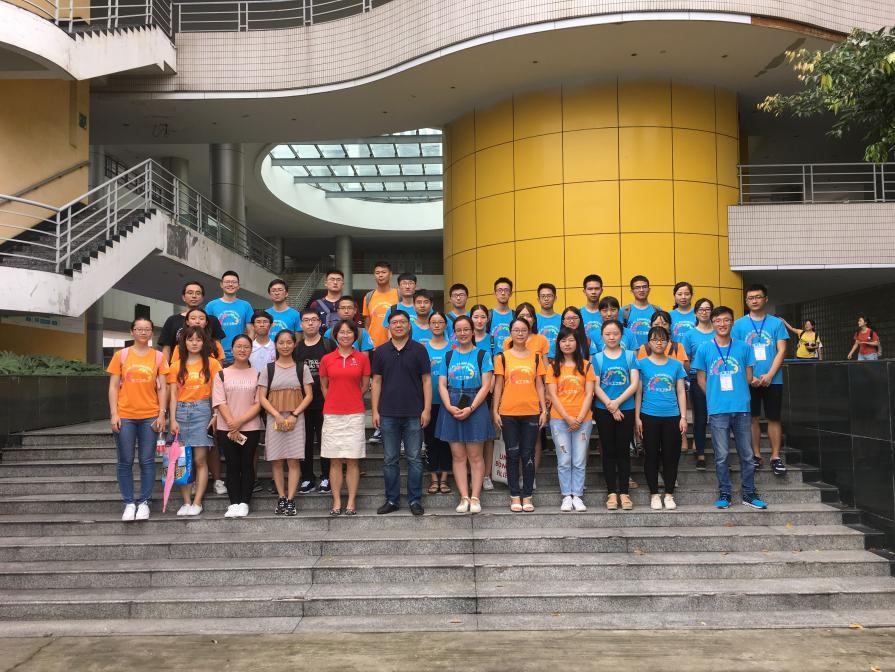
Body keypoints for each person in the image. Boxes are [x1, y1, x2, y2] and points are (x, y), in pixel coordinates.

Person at [693, 306, 767, 510]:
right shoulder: (704, 349)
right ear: (712, 323)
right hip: (718, 410)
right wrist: (714, 396)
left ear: (732, 322)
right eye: (718, 320)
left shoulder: (744, 347)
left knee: (747, 454)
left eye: (726, 320)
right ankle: (724, 492)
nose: (722, 324)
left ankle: (749, 493)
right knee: (722, 455)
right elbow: (701, 379)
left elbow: (749, 376)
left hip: (742, 407)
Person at [107, 318, 169, 521]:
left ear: (152, 333)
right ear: (132, 332)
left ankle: (144, 502)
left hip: (150, 415)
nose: (143, 332)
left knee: (147, 461)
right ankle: (128, 502)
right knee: (125, 461)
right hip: (125, 415)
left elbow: (163, 388)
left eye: (147, 329)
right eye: (139, 329)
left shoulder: (158, 357)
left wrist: (162, 413)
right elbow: (113, 386)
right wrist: (114, 413)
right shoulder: (121, 355)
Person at [371, 310, 432, 516]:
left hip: (414, 413)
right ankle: (392, 499)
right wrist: (375, 411)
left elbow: (426, 380)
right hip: (388, 413)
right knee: (390, 459)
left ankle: (415, 500)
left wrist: (427, 409)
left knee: (414, 458)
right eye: (395, 322)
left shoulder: (419, 350)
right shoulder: (380, 351)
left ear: (409, 325)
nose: (398, 325)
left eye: (402, 322)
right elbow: (376, 382)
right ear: (388, 326)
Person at [435, 315, 494, 514]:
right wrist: (449, 406)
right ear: (454, 333)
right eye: (458, 330)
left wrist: (471, 407)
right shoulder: (448, 356)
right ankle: (464, 496)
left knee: (475, 455)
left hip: (475, 404)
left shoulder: (483, 355)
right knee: (458, 455)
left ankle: (475, 496)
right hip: (451, 404)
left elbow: (486, 385)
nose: (463, 333)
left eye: (466, 329)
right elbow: (442, 384)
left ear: (472, 331)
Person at [731, 284, 788, 476]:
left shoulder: (776, 323)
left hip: (773, 379)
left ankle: (775, 457)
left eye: (758, 297)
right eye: (750, 298)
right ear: (746, 301)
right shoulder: (738, 325)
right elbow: (736, 353)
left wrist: (770, 374)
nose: (754, 301)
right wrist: (750, 377)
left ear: (765, 299)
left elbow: (782, 350)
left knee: (774, 417)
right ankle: (755, 455)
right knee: (752, 418)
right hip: (748, 380)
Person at [493, 317, 548, 513]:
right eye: (516, 330)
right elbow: (498, 386)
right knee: (512, 454)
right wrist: (495, 410)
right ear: (510, 333)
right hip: (508, 412)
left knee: (528, 454)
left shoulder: (536, 357)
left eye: (523, 330)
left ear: (529, 332)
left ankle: (528, 495)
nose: (520, 333)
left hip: (531, 412)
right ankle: (514, 495)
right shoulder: (503, 357)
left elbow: (540, 385)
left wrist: (544, 410)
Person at [168, 325, 223, 516]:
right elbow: (173, 395)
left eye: (198, 340)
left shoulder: (212, 364)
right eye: (190, 339)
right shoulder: (176, 365)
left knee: (200, 459)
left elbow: (218, 392)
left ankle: (197, 502)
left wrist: (216, 415)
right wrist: (172, 419)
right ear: (183, 342)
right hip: (181, 412)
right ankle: (186, 502)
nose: (194, 343)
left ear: (204, 342)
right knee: (182, 460)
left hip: (202, 410)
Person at [258, 330, 314, 517]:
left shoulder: (302, 368)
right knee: (276, 460)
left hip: (296, 419)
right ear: (276, 345)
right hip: (274, 419)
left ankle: (291, 499)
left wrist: (294, 414)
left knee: (293, 460)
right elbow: (262, 397)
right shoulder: (268, 369)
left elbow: (309, 395)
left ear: (294, 344)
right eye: (281, 342)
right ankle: (281, 497)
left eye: (289, 342)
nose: (285, 346)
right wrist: (276, 415)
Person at [319, 319, 371, 516]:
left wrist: (352, 398)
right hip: (332, 414)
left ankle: (351, 501)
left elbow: (364, 385)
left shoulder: (362, 358)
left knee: (352, 460)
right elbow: (324, 385)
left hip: (354, 414)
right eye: (341, 332)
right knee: (334, 460)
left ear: (355, 336)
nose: (345, 335)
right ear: (335, 335)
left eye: (349, 332)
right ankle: (336, 501)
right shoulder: (327, 359)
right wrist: (334, 400)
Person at [635, 325, 687, 510]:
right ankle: (654, 494)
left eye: (663, 339)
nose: (659, 343)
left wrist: (683, 416)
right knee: (651, 456)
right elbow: (638, 392)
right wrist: (637, 418)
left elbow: (681, 391)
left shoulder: (676, 365)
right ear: (649, 343)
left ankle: (669, 494)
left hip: (672, 416)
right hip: (649, 415)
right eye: (655, 339)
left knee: (671, 456)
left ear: (668, 342)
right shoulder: (641, 364)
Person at [546, 327, 596, 512]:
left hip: (583, 420)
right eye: (563, 340)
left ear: (577, 343)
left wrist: (580, 417)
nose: (567, 344)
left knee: (579, 460)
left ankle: (578, 495)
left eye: (571, 340)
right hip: (560, 420)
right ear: (558, 344)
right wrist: (567, 417)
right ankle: (566, 495)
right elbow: (552, 395)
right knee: (564, 459)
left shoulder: (587, 366)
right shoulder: (552, 367)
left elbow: (589, 394)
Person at [212, 334, 263, 518]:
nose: (242, 350)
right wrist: (232, 424)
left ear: (251, 350)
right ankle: (233, 502)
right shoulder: (221, 374)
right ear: (232, 349)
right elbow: (220, 401)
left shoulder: (258, 374)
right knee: (232, 465)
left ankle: (244, 502)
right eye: (238, 346)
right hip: (226, 428)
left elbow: (259, 403)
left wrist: (239, 423)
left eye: (246, 347)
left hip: (251, 427)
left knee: (247, 464)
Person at [592, 320, 640, 511]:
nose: (611, 337)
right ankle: (611, 492)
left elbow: (634, 384)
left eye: (615, 334)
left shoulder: (630, 356)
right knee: (608, 451)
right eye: (607, 334)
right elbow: (595, 386)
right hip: (603, 410)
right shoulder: (597, 358)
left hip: (626, 409)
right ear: (602, 336)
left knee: (623, 451)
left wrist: (617, 403)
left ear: (622, 335)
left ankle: (624, 492)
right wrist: (611, 406)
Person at [294, 307, 336, 494]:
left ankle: (326, 476)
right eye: (306, 320)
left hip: (326, 402)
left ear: (320, 323)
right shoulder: (296, 348)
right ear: (301, 324)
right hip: (302, 403)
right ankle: (307, 478)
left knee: (325, 440)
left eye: (313, 320)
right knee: (304, 441)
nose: (310, 323)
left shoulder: (329, 345)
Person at [681, 298, 716, 469]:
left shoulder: (718, 332)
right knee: (700, 417)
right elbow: (686, 360)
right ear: (695, 313)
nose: (704, 312)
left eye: (708, 309)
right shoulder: (689, 335)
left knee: (719, 417)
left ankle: (720, 453)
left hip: (717, 378)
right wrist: (693, 374)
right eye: (701, 309)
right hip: (697, 378)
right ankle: (700, 454)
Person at [158, 281, 226, 363]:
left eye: (198, 293)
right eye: (190, 293)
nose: (194, 296)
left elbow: (218, 350)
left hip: (208, 368)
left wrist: (218, 370)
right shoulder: (172, 320)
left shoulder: (212, 320)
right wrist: (165, 369)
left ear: (202, 298)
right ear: (183, 297)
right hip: (179, 367)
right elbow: (166, 349)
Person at [424, 311, 453, 495]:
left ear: (445, 325)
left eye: (440, 322)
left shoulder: (453, 347)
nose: (436, 325)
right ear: (429, 325)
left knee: (446, 440)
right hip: (428, 402)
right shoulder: (422, 348)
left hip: (449, 402)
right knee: (430, 440)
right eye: (433, 322)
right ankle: (433, 477)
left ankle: (445, 478)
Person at [205, 270, 255, 364]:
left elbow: (251, 331)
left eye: (234, 282)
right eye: (227, 282)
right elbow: (206, 331)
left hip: (239, 356)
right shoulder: (211, 305)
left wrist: (246, 350)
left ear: (238, 286)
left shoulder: (246, 305)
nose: (230, 284)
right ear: (221, 284)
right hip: (216, 357)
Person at [362, 260, 398, 348]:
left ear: (390, 274)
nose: (380, 275)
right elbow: (367, 324)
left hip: (395, 345)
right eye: (377, 273)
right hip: (374, 346)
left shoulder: (399, 295)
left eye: (384, 272)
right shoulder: (368, 297)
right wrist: (369, 343)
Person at [622, 275, 661, 348]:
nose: (641, 290)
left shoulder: (657, 310)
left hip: (653, 352)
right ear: (632, 291)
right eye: (637, 288)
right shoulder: (624, 311)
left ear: (649, 289)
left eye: (644, 287)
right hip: (632, 352)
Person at [309, 268, 347, 334]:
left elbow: (358, 327)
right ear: (326, 283)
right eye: (332, 279)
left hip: (346, 338)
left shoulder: (350, 304)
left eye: (338, 280)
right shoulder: (316, 304)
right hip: (322, 339)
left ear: (343, 284)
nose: (335, 282)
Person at [537, 283, 562, 360]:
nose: (546, 299)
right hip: (539, 360)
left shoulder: (562, 319)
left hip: (558, 360)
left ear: (555, 298)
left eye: (549, 296)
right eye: (543, 296)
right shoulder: (533, 319)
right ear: (538, 300)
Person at [580, 274, 604, 346]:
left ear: (601, 290)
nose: (593, 292)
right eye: (590, 289)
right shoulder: (577, 314)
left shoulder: (609, 313)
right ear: (584, 291)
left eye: (597, 288)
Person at [490, 277, 514, 348]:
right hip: (492, 354)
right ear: (494, 293)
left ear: (511, 293)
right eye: (500, 290)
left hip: (512, 354)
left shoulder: (516, 315)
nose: (503, 293)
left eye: (506, 290)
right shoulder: (488, 315)